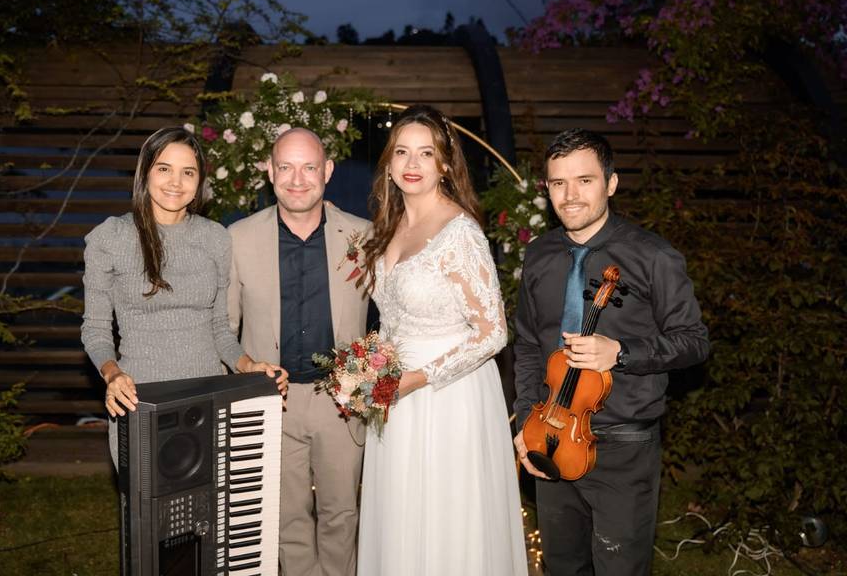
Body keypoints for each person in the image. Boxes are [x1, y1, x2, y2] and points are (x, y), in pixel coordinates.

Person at [512, 128, 710, 575]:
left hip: (624, 446)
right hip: (552, 436)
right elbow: (526, 344)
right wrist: (528, 418)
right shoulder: (539, 255)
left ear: (611, 183)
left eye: (584, 180)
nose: (570, 195)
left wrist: (620, 352)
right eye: (558, 183)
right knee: (562, 566)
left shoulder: (654, 256)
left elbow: (694, 341)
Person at [357, 105, 528, 576]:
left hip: (448, 398)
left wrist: (419, 377)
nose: (412, 164)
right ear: (389, 164)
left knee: (446, 520)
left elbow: (493, 333)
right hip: (395, 394)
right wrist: (369, 368)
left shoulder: (460, 233)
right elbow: (391, 320)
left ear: (445, 164)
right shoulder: (388, 228)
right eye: (402, 153)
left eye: (426, 154)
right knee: (400, 517)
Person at [80, 126, 287, 462]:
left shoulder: (215, 238)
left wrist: (248, 365)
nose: (175, 182)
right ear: (145, 173)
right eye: (164, 169)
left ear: (198, 182)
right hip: (140, 399)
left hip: (209, 400)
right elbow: (96, 328)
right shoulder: (112, 238)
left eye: (187, 172)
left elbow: (220, 327)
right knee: (147, 512)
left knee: (210, 513)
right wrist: (112, 374)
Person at [227, 128, 371, 576]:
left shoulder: (365, 237)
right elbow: (223, 330)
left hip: (341, 402)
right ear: (269, 171)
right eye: (285, 166)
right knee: (285, 518)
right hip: (272, 402)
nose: (297, 179)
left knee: (341, 514)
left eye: (309, 166)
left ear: (327, 171)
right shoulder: (237, 238)